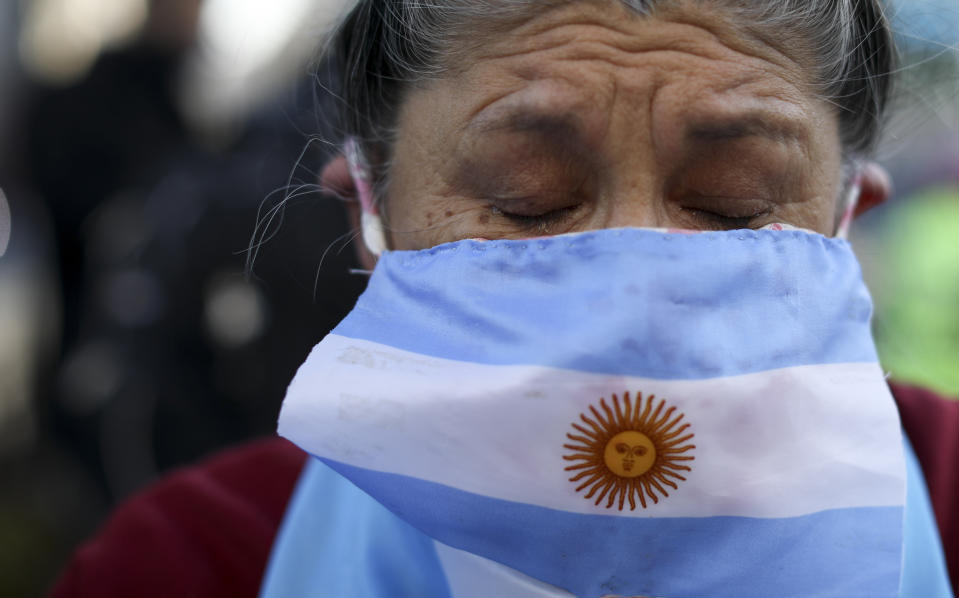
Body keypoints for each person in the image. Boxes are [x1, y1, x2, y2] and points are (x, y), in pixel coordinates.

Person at [49, 1, 958, 597]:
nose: (632, 292)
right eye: (525, 200)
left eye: (733, 205)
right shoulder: (193, 560)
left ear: (845, 223)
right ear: (370, 219)